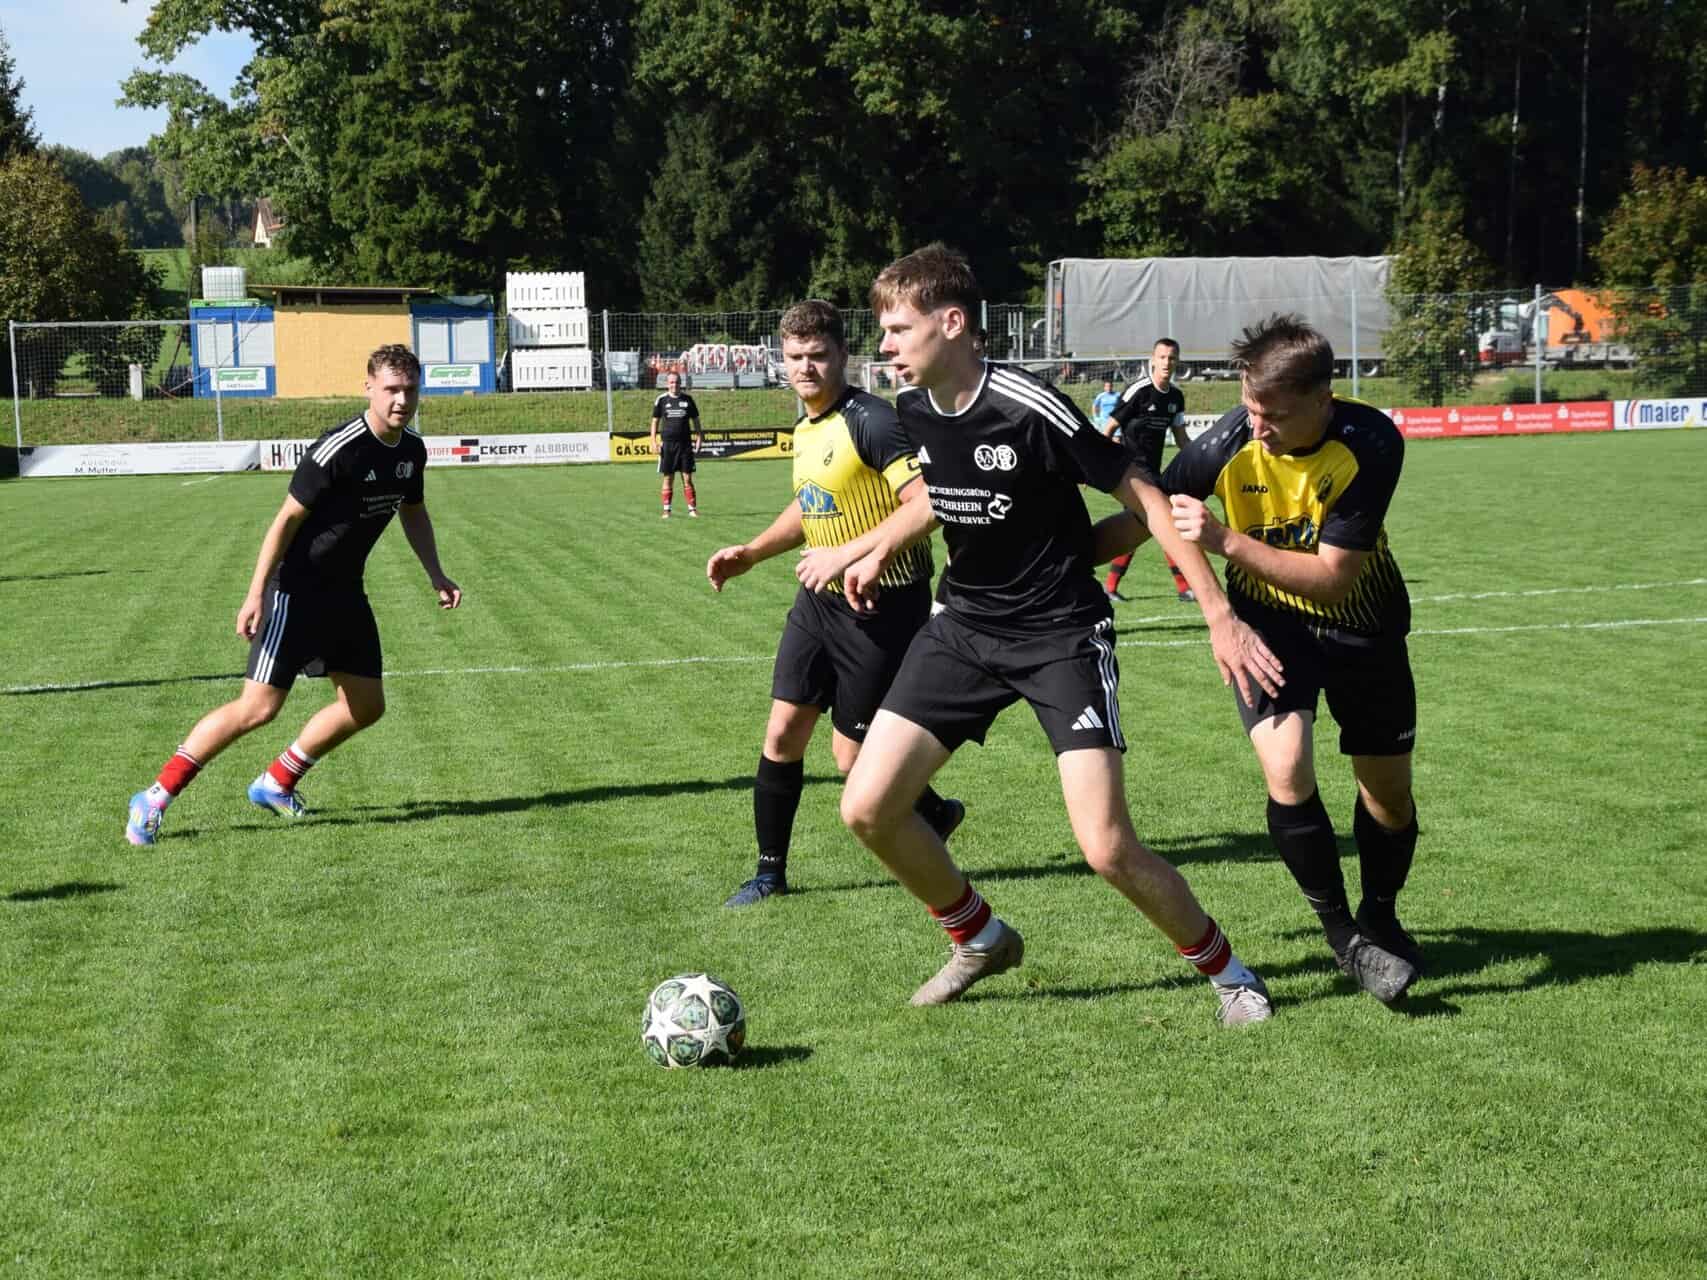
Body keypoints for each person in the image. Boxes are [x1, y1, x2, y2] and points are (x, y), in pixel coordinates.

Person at [827, 243, 1284, 1025]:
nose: (886, 346)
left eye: (898, 329)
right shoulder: (912, 408)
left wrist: (1218, 615)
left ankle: (1229, 974)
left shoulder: (1026, 404)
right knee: (866, 807)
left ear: (951, 322)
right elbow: (944, 492)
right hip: (963, 627)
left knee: (1106, 847)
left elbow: (1142, 494)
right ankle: (979, 938)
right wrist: (874, 550)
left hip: (1059, 636)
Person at [1099, 314, 1423, 1006]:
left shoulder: (1371, 441)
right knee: (1286, 766)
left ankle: (1379, 915)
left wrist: (1223, 540)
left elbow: (1332, 579)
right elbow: (1146, 515)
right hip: (1269, 627)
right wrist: (1050, 558)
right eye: (1249, 407)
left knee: (1388, 798)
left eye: (1271, 415)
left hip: (1363, 626)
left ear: (1321, 399)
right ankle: (1345, 938)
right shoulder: (1227, 441)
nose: (1256, 426)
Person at [124, 344, 462, 846]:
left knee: (366, 705)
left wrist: (436, 572)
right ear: (368, 387)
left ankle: (277, 781)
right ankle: (154, 797)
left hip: (346, 594)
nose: (401, 400)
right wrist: (256, 593)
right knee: (258, 708)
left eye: (410, 390)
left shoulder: (411, 450)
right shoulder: (337, 449)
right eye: (391, 389)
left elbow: (413, 510)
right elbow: (285, 520)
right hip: (295, 592)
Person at [706, 300, 964, 907]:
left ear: (843, 355)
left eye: (818, 356)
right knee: (782, 732)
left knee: (851, 761)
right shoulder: (807, 426)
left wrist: (850, 555)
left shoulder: (873, 422)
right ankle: (769, 873)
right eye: (795, 357)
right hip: (819, 602)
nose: (806, 367)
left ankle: (933, 811)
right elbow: (812, 505)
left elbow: (927, 502)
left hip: (881, 609)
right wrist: (752, 553)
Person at [1102, 339, 1195, 604]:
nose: (1167, 362)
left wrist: (1201, 461)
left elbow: (1181, 438)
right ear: (1152, 360)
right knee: (1161, 522)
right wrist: (1096, 466)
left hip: (1153, 473)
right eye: (1162, 357)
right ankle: (1184, 588)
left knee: (1150, 525)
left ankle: (1111, 587)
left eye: (1172, 358)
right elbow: (1109, 428)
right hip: (1130, 472)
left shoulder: (1175, 397)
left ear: (1177, 361)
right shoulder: (1139, 391)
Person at [650, 371, 704, 518]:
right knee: (668, 478)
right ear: (667, 384)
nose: (674, 385)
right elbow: (655, 421)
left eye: (677, 382)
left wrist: (699, 437)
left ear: (681, 383)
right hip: (668, 445)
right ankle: (666, 510)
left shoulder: (688, 399)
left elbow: (696, 420)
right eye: (672, 382)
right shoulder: (661, 400)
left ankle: (692, 509)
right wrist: (653, 441)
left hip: (685, 445)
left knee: (687, 478)